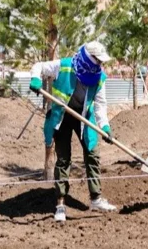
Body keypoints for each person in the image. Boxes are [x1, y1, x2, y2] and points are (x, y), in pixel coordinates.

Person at [29, 41, 117, 223]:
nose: (100, 64)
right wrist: (36, 79)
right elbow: (38, 66)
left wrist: (105, 126)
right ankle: (60, 204)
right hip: (61, 116)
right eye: (97, 60)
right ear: (88, 57)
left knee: (92, 154)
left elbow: (100, 105)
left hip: (84, 116)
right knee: (64, 159)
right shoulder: (65, 66)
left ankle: (96, 199)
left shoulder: (99, 77)